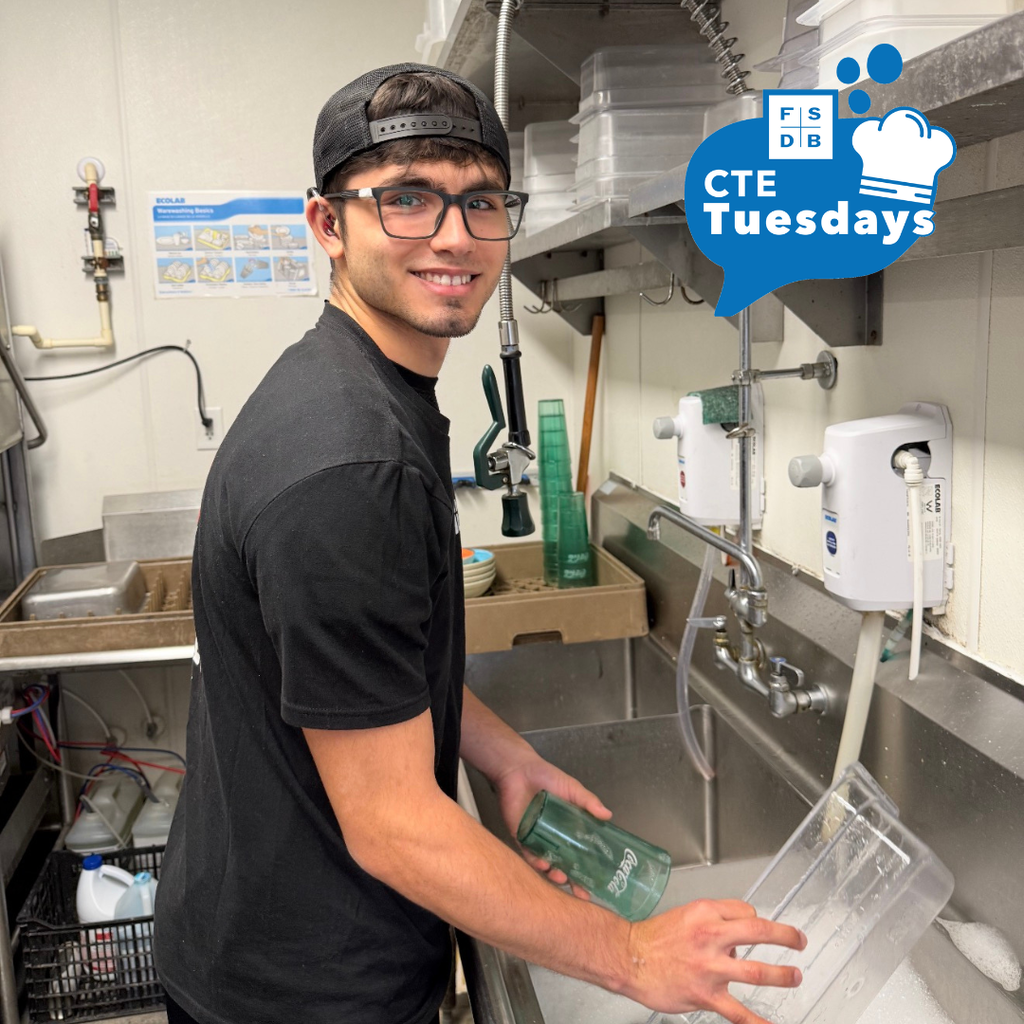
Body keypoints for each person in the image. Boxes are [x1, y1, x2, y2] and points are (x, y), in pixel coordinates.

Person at [153, 63, 806, 1024]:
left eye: (480, 201)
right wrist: (632, 955)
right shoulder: (348, 465)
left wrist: (502, 756)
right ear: (327, 223)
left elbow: (375, 673)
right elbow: (394, 830)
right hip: (303, 990)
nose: (454, 237)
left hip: (280, 939)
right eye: (407, 199)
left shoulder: (361, 391)